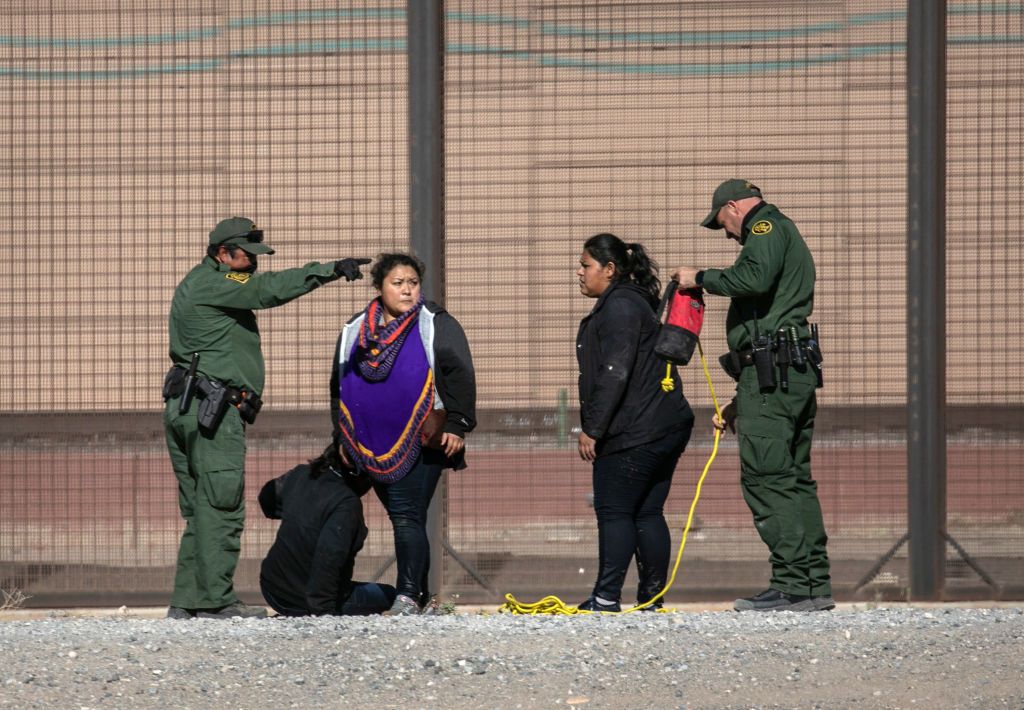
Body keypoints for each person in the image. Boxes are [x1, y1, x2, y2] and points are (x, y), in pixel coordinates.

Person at [162, 216, 369, 620]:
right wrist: (327, 270)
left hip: (188, 406)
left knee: (201, 510)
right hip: (212, 413)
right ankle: (218, 601)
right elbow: (268, 290)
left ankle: (188, 601)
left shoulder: (200, 281)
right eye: (246, 257)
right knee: (221, 507)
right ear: (223, 253)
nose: (253, 264)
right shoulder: (216, 282)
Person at [671, 179, 833, 612]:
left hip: (774, 377)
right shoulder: (781, 232)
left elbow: (754, 278)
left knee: (768, 477)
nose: (725, 232)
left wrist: (698, 277)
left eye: (721, 222)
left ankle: (793, 584)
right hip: (783, 375)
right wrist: (739, 401)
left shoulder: (765, 229)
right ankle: (813, 583)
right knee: (794, 478)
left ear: (733, 207)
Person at [331, 252, 476, 615]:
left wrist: (457, 423)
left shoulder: (435, 323)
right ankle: (420, 597)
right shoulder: (355, 329)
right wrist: (342, 437)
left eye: (412, 283)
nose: (408, 290)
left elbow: (459, 373)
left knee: (407, 514)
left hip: (424, 438)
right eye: (398, 283)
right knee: (402, 514)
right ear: (380, 287)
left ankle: (409, 594)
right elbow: (340, 386)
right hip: (370, 440)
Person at [575, 233, 695, 613]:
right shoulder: (632, 302)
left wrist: (592, 428)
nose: (579, 272)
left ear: (609, 270)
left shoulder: (620, 307)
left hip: (638, 430)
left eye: (585, 265)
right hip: (663, 425)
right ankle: (651, 600)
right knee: (646, 511)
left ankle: (606, 597)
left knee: (614, 510)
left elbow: (615, 371)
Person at [258, 444, 397, 616]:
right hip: (305, 600)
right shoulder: (346, 503)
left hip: (272, 588)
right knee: (389, 594)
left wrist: (299, 513)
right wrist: (324, 613)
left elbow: (267, 497)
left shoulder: (301, 474)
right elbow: (329, 556)